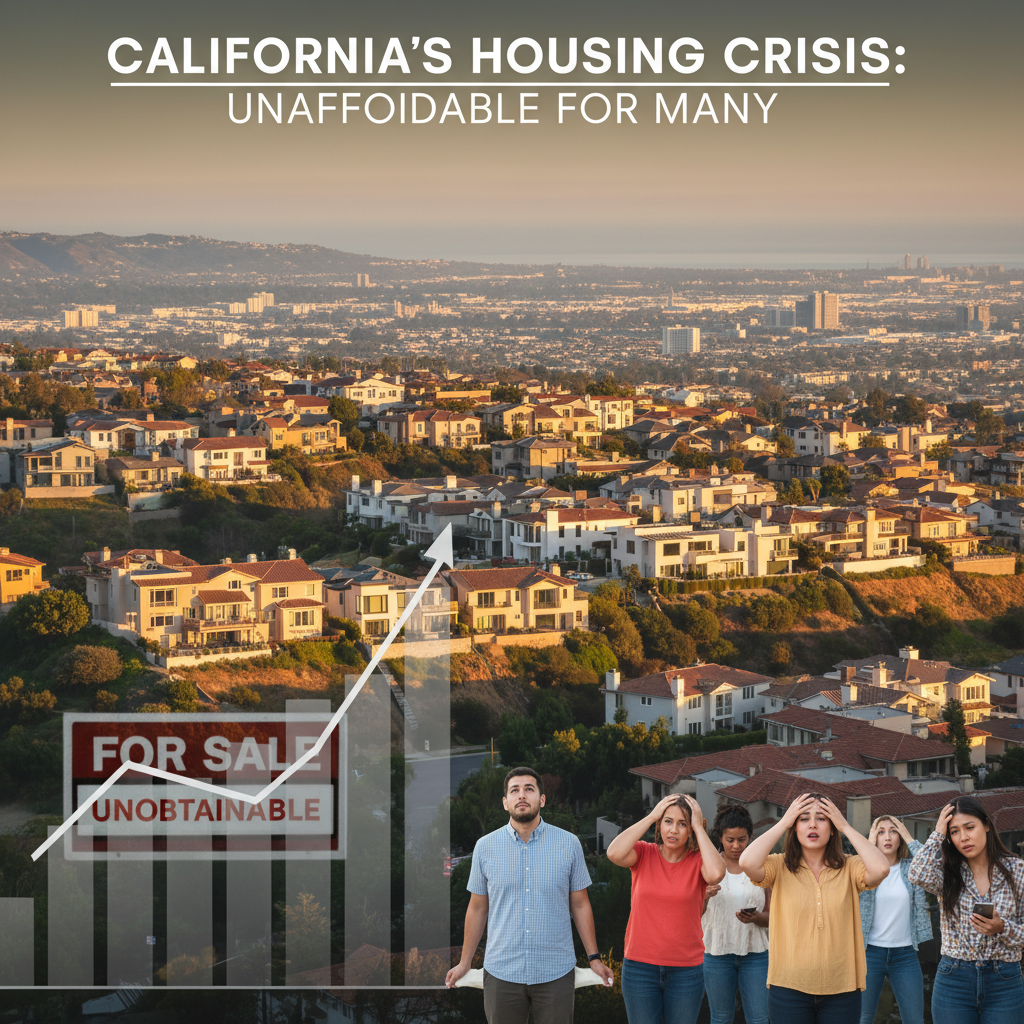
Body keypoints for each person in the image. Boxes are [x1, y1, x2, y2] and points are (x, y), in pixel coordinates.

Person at [444, 767, 614, 1024]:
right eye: (515, 790)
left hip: (556, 972)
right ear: (505, 802)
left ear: (542, 800)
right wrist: (465, 962)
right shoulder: (485, 847)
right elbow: (478, 908)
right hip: (501, 972)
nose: (521, 795)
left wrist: (594, 958)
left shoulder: (569, 844)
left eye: (529, 789)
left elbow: (580, 905)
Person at [738, 792, 889, 1024]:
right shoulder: (779, 865)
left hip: (842, 989)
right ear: (794, 827)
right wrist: (784, 821)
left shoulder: (850, 866)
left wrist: (846, 826)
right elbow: (747, 862)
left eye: (821, 818)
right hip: (787, 988)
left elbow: (880, 868)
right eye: (804, 818)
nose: (812, 825)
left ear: (832, 828)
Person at [607, 793, 726, 1024]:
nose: (673, 830)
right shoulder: (643, 853)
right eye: (668, 821)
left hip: (686, 971)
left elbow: (716, 874)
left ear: (690, 829)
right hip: (640, 968)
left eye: (683, 824)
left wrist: (699, 828)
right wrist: (652, 815)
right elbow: (613, 853)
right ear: (659, 824)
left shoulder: (699, 861)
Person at [907, 795, 1024, 1024]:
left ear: (987, 825)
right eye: (955, 832)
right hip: (954, 978)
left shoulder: (1017, 870)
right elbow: (916, 873)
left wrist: (1003, 928)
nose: (964, 837)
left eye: (970, 827)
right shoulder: (947, 873)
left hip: (1005, 979)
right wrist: (938, 833)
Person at [858, 815, 931, 1024]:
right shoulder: (863, 871)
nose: (887, 837)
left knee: (915, 1020)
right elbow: (852, 874)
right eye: (880, 832)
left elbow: (932, 867)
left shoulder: (912, 868)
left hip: (905, 954)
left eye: (893, 831)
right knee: (863, 1018)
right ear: (874, 838)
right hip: (870, 953)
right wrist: (868, 845)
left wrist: (908, 836)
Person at [701, 805, 770, 1024]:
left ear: (750, 837)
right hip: (716, 954)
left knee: (759, 1019)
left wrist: (757, 918)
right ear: (720, 837)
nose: (736, 846)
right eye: (730, 839)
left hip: (757, 954)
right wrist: (704, 897)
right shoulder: (707, 866)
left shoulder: (761, 865)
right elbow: (692, 917)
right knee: (720, 1018)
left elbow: (773, 916)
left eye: (742, 839)